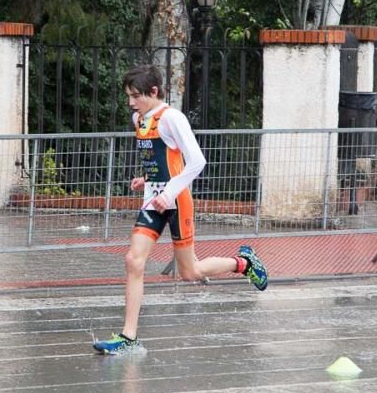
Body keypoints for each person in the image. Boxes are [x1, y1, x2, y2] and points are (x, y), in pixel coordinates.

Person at [92, 65, 269, 354]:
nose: (131, 102)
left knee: (190, 272)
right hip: (154, 200)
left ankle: (245, 263)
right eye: (128, 96)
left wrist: (170, 191)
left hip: (177, 201)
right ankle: (128, 337)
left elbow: (197, 161)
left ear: (154, 92)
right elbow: (162, 159)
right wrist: (147, 178)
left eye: (136, 96)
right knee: (133, 261)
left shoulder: (172, 118)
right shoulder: (140, 118)